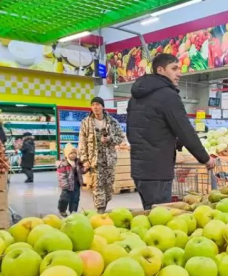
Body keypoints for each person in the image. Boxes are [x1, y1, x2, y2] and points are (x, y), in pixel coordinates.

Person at [127, 53, 215, 210]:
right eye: (174, 68)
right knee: (161, 219)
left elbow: (144, 129)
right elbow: (185, 130)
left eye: (179, 69)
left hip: (140, 170)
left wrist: (176, 143)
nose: (179, 73)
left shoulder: (135, 97)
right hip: (158, 171)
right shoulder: (167, 95)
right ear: (160, 70)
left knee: (149, 216)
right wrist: (205, 159)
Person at [79, 97, 124, 213]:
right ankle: (100, 211)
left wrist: (109, 139)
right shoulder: (86, 122)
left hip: (109, 160)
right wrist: (84, 160)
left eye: (98, 104)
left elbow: (120, 138)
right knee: (98, 187)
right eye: (93, 104)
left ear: (103, 106)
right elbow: (82, 142)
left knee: (108, 188)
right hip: (95, 161)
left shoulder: (112, 122)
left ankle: (103, 206)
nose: (95, 107)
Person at [57, 143, 86, 217]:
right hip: (67, 186)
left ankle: (73, 211)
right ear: (66, 155)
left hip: (76, 184)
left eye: (74, 153)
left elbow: (82, 171)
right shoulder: (63, 164)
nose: (73, 155)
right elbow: (61, 176)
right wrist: (64, 185)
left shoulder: (78, 162)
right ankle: (62, 209)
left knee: (75, 199)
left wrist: (86, 169)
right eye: (71, 153)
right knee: (64, 199)